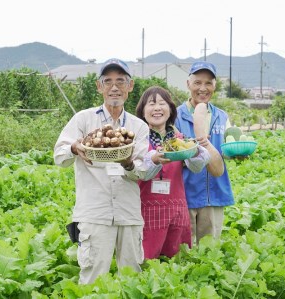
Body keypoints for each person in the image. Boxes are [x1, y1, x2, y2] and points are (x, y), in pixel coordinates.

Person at [53, 58, 150, 284]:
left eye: (120, 81)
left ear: (130, 86)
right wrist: (75, 148)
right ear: (99, 87)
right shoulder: (83, 119)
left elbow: (145, 170)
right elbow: (59, 156)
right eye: (107, 81)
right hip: (94, 212)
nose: (114, 87)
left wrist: (128, 164)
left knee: (132, 278)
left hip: (128, 213)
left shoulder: (138, 127)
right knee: (93, 278)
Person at [135, 86, 210, 259]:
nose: (157, 108)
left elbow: (197, 166)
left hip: (177, 209)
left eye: (162, 103)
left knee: (176, 261)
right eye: (151, 104)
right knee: (145, 261)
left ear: (170, 110)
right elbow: (137, 170)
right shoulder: (137, 140)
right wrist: (153, 159)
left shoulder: (181, 140)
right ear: (142, 111)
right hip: (146, 210)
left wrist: (197, 150)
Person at [174, 61, 234, 244]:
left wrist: (237, 152)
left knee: (209, 252)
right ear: (188, 84)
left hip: (215, 195)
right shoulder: (175, 116)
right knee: (184, 252)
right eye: (197, 82)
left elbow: (229, 148)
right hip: (185, 195)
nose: (203, 88)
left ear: (215, 86)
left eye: (208, 83)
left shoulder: (222, 117)